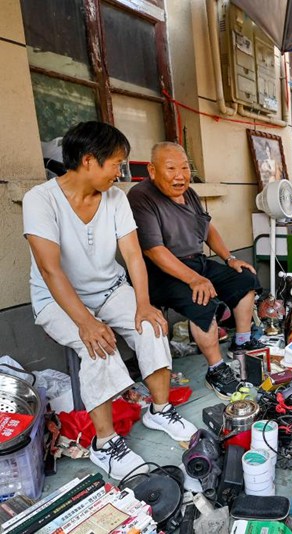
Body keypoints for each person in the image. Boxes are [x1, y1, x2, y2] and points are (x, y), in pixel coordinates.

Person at [23, 122, 197, 480]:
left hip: (109, 288)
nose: (120, 172)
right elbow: (50, 269)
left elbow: (133, 254)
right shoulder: (40, 200)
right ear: (88, 161)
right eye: (116, 163)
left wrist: (144, 303)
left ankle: (159, 410)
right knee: (97, 345)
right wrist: (86, 322)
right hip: (57, 298)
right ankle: (105, 444)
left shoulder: (116, 199)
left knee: (151, 326)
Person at [128, 142, 262, 401]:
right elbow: (154, 251)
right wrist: (195, 279)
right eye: (171, 169)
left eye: (184, 168)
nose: (180, 175)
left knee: (245, 278)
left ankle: (242, 342)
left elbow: (208, 229)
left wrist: (230, 258)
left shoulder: (188, 193)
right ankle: (216, 369)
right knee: (202, 300)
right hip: (160, 270)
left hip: (196, 262)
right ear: (152, 170)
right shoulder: (140, 197)